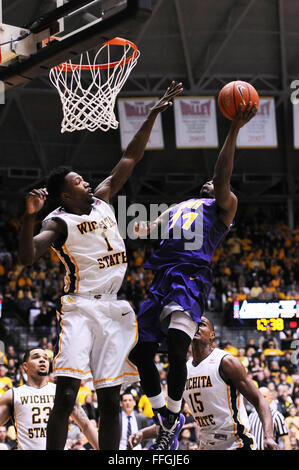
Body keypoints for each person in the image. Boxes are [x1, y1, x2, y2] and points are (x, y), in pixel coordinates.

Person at [18, 81, 183, 451]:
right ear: (65, 194)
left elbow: (130, 158)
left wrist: (152, 115)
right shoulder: (57, 223)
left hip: (113, 307)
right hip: (81, 307)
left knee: (110, 399)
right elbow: (28, 257)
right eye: (77, 180)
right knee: (66, 395)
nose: (85, 180)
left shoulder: (103, 200)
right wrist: (28, 218)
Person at [129, 103, 258, 449]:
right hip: (161, 279)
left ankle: (170, 417)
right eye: (207, 182)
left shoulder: (223, 208)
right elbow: (145, 227)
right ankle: (168, 416)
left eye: (215, 183)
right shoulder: (179, 206)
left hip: (188, 278)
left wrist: (233, 129)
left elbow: (221, 176)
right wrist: (136, 226)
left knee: (175, 346)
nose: (209, 183)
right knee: (139, 353)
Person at [128, 316, 279, 451]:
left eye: (202, 324)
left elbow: (259, 399)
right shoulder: (181, 370)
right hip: (206, 444)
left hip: (236, 443)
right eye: (194, 324)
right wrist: (142, 433)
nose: (197, 327)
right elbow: (173, 421)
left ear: (212, 335)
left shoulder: (226, 361)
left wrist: (269, 436)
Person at [0, 349, 99, 450]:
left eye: (45, 358)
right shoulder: (13, 395)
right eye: (36, 357)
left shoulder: (63, 392)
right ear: (25, 366)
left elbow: (86, 425)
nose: (42, 360)